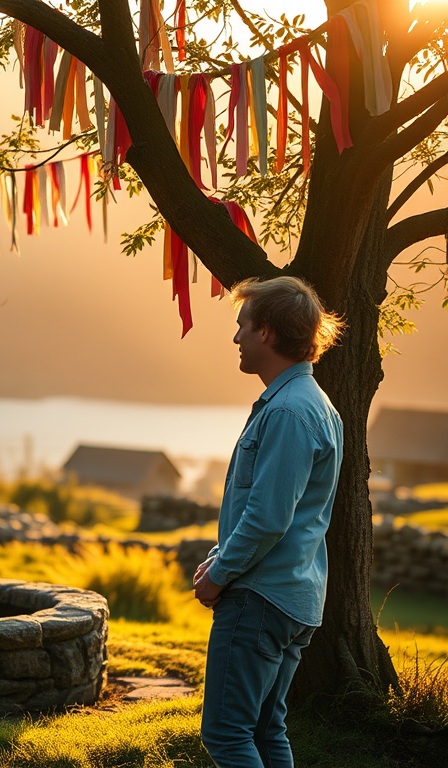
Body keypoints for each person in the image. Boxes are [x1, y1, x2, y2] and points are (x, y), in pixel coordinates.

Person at [194, 276, 345, 768]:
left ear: (269, 333)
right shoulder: (310, 405)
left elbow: (267, 518)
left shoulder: (289, 411)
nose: (235, 337)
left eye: (243, 326)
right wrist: (219, 557)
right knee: (264, 729)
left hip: (262, 597)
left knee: (227, 733)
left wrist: (219, 575)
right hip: (290, 593)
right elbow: (278, 510)